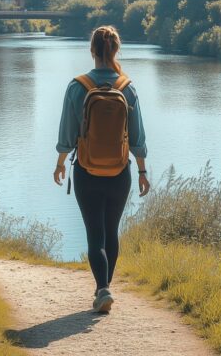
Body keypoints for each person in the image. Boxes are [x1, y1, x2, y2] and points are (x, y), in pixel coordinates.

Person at [53, 25, 150, 314]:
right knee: (111, 232)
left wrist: (60, 163)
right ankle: (103, 289)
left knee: (95, 234)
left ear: (92, 50)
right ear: (116, 50)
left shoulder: (77, 86)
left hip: (86, 171)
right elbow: (137, 138)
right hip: (120, 173)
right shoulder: (127, 87)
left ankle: (102, 290)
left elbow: (67, 134)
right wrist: (143, 172)